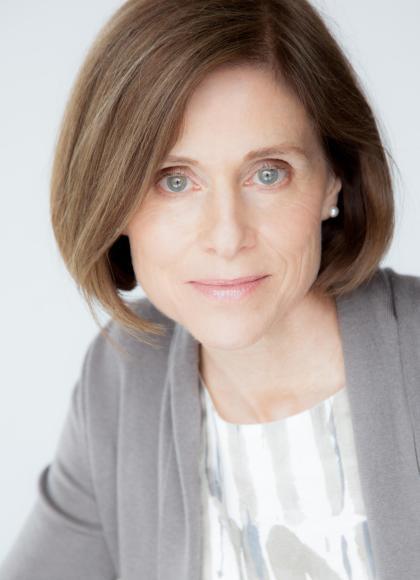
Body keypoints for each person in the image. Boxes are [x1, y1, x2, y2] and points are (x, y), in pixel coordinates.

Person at [1, 0, 420, 579]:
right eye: (174, 181)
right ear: (113, 200)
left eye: (268, 173)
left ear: (335, 177)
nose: (226, 237)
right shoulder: (124, 380)